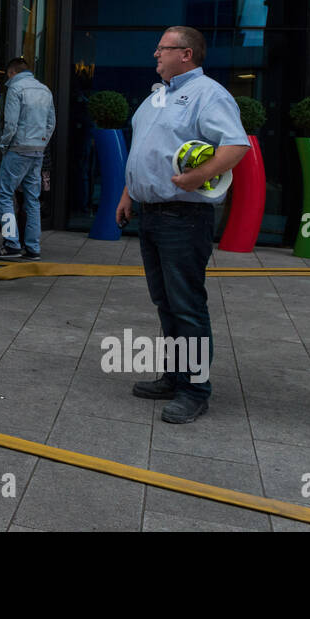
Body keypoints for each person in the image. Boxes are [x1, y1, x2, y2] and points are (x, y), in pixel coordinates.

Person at [117, 26, 249, 424]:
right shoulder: (159, 96)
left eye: (163, 49)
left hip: (184, 217)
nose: (155, 55)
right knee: (165, 302)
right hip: (152, 214)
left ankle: (195, 390)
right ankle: (175, 377)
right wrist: (129, 193)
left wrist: (196, 177)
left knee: (187, 306)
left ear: (186, 54)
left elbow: (235, 144)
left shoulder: (209, 94)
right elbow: (144, 148)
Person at [0, 58, 55, 261]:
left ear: (11, 73)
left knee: (3, 193)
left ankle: (11, 243)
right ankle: (33, 247)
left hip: (18, 148)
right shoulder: (44, 89)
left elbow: (10, 123)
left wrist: (3, 145)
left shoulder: (15, 89)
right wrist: (41, 143)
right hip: (37, 149)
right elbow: (51, 123)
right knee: (32, 199)